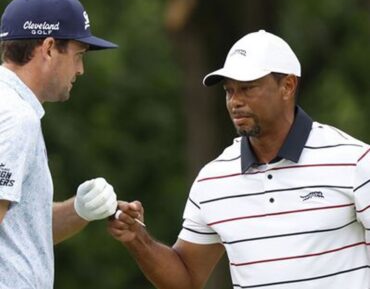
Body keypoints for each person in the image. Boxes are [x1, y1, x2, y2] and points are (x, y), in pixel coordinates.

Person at [108, 29, 370, 289]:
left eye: (247, 88)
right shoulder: (214, 180)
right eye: (229, 91)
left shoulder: (354, 161)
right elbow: (185, 279)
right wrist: (137, 239)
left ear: (287, 86)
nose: (235, 101)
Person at [0, 0, 119, 289]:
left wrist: (80, 208)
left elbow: (21, 231)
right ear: (50, 48)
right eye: (78, 55)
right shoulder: (16, 117)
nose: (80, 69)